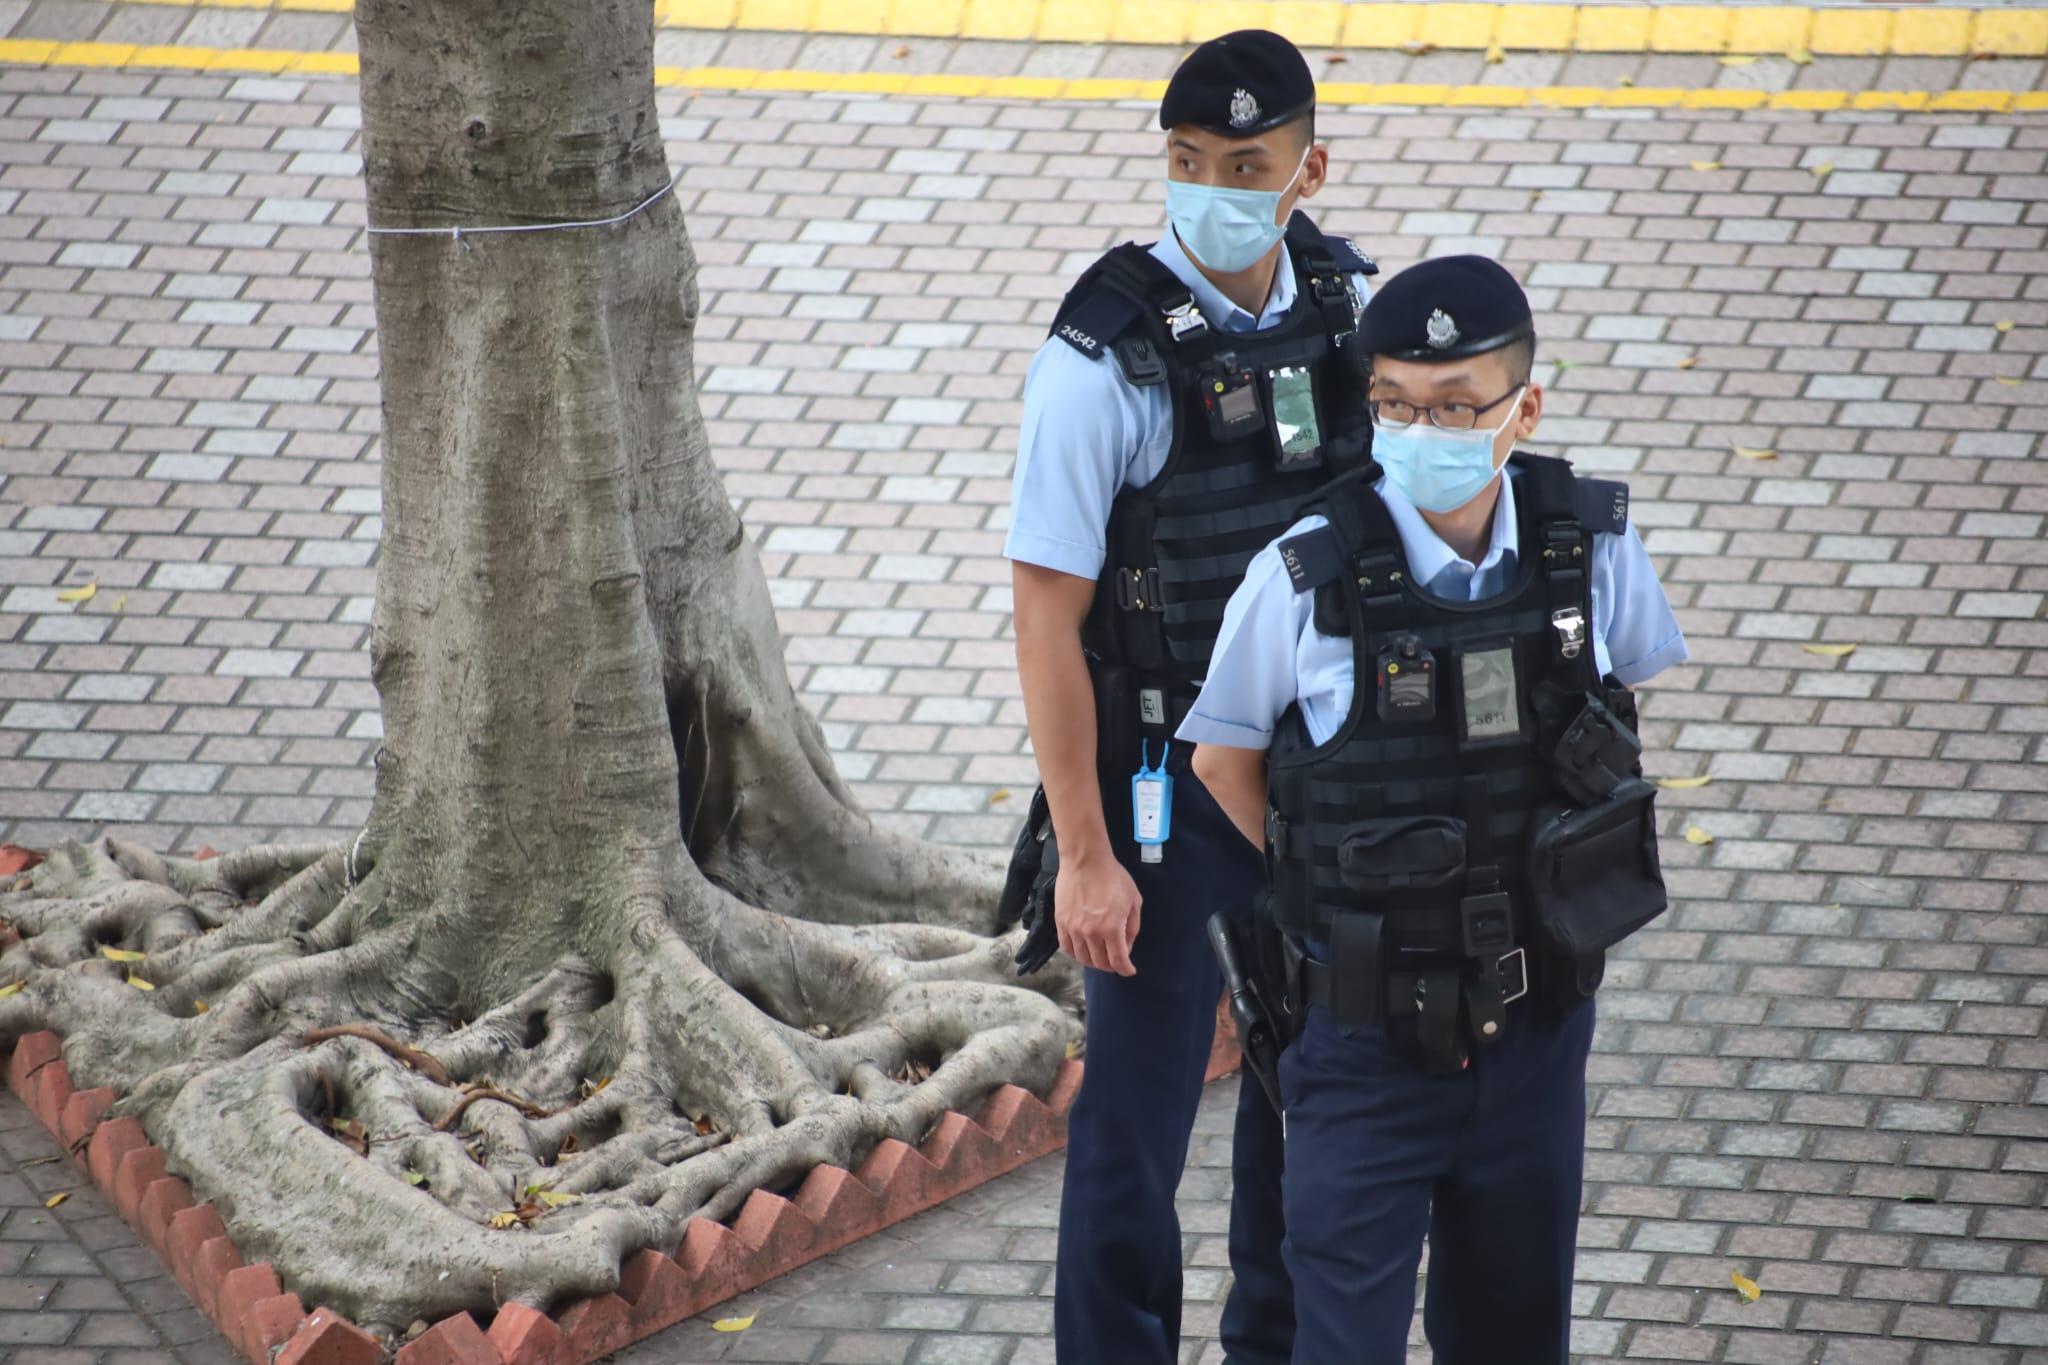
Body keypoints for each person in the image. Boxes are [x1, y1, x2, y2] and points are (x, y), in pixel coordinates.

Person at [1179, 254, 1690, 1364]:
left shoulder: (1588, 546)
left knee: (1513, 1341)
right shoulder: (1303, 576)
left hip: (1536, 1031)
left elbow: (1615, 704)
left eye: (1457, 407)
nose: (1425, 431)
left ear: (1523, 408)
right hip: (1359, 1044)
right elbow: (1222, 762)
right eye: (1397, 406)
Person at [1002, 29, 1379, 1365]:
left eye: (1244, 163)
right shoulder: (1101, 361)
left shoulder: (1346, 312)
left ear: (1306, 168)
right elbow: (1045, 618)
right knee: (1135, 1131)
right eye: (1185, 162)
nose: (1211, 186)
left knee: (1306, 1104)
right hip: (1158, 797)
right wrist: (1086, 857)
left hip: (1313, 788)